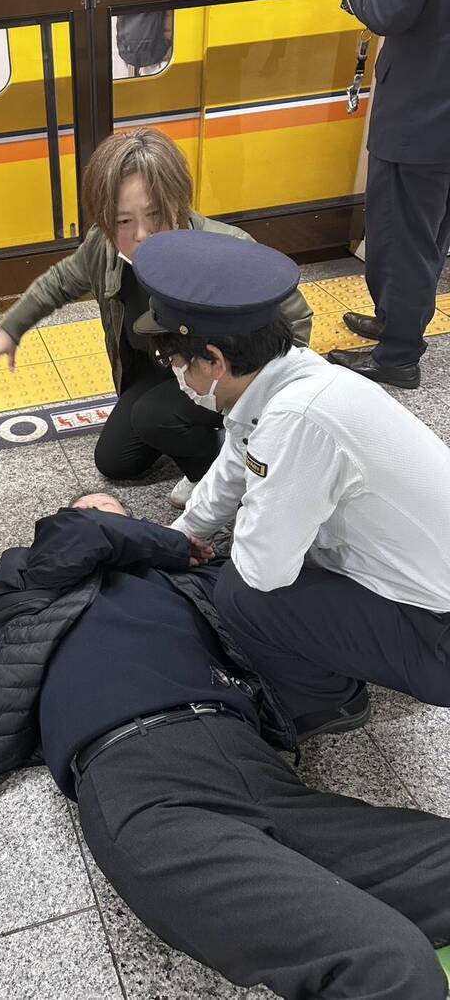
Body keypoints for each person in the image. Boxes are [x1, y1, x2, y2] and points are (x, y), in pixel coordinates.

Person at [0, 496, 450, 1000]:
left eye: (115, 511)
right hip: (138, 783)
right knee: (387, 964)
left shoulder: (192, 577)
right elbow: (76, 537)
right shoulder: (30, 580)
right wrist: (168, 542)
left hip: (251, 760)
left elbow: (278, 612)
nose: (103, 518)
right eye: (92, 510)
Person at [129, 228, 450, 727]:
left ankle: (328, 702)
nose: (175, 375)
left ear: (214, 360)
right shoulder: (288, 373)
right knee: (258, 558)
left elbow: (264, 570)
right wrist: (180, 538)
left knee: (242, 594)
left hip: (440, 636)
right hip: (429, 586)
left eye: (174, 361)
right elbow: (236, 462)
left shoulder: (298, 420)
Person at [0, 128, 313, 509]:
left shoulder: (227, 249)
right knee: (115, 462)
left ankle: (214, 476)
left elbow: (297, 319)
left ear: (178, 203)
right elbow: (60, 282)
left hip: (219, 379)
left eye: (155, 215)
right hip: (157, 372)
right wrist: (11, 328)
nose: (141, 234)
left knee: (154, 417)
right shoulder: (102, 247)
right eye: (123, 221)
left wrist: (257, 401)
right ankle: (196, 434)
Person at [328, 0, 450, 389]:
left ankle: (398, 355)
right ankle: (398, 321)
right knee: (430, 231)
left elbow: (390, 9)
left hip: (422, 105)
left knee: (402, 234)